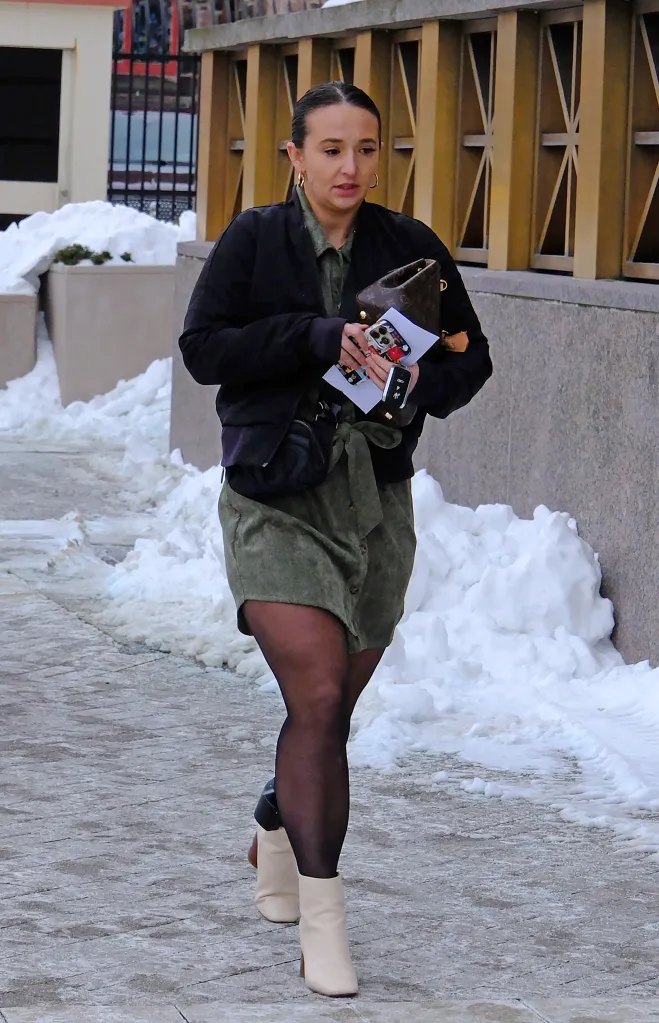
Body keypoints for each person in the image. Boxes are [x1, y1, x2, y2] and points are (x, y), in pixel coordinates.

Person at [179, 81, 492, 998]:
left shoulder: (409, 248)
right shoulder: (254, 241)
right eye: (330, 150)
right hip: (275, 493)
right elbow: (206, 348)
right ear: (295, 157)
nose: (349, 167)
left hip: (373, 505)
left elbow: (473, 357)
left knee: (329, 710)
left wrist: (411, 378)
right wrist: (318, 337)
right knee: (314, 689)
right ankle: (325, 922)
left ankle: (275, 824)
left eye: (366, 149)